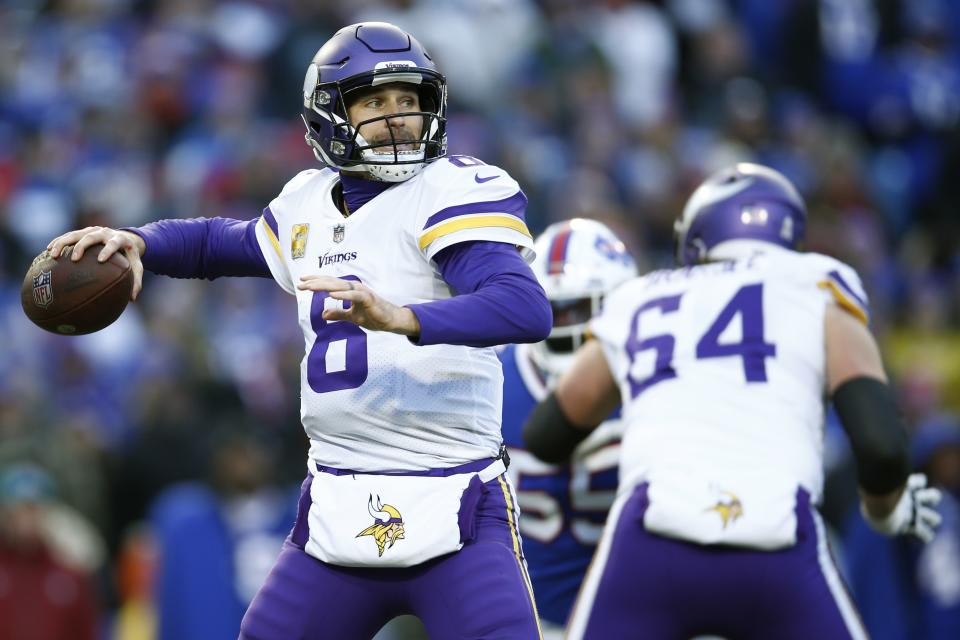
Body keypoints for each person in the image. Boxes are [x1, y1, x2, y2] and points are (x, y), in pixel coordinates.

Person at [47, 22, 550, 639]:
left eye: (408, 101)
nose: (396, 118)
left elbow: (523, 307)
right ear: (329, 115)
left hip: (454, 498)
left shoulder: (450, 190)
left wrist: (405, 317)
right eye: (374, 102)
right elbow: (217, 244)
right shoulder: (307, 202)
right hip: (337, 499)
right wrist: (140, 242)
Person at [522, 162, 943, 639]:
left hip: (650, 547)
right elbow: (882, 444)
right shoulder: (817, 282)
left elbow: (547, 433)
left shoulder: (642, 296)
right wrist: (885, 512)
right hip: (778, 543)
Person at [499, 218, 636, 638]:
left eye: (577, 310)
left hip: (636, 614)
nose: (563, 326)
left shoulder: (649, 379)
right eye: (551, 311)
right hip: (526, 618)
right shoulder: (493, 377)